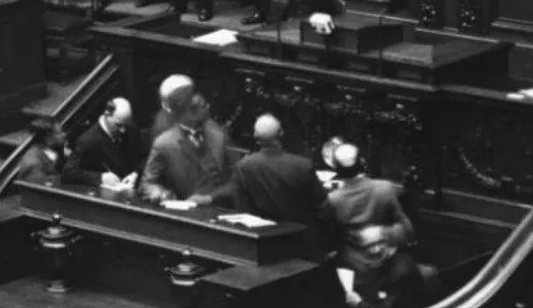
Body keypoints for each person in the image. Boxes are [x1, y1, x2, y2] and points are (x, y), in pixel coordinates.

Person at [196, 115, 332, 255]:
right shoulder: (303, 166)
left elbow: (236, 196)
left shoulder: (244, 166)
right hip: (301, 243)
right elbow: (322, 207)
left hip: (264, 242)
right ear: (281, 133)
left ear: (255, 136)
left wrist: (209, 198)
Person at [325, 142, 414, 274]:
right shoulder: (385, 188)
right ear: (362, 162)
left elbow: (332, 239)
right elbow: (408, 230)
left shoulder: (333, 199)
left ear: (337, 169)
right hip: (387, 262)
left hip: (353, 267)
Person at [141, 93, 237, 203]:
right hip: (181, 209)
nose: (208, 107)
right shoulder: (164, 143)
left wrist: (211, 198)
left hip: (217, 206)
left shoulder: (218, 137)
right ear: (190, 113)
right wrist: (160, 194)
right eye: (204, 105)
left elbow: (234, 179)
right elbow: (148, 183)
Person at [343, 224, 425, 308]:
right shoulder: (385, 259)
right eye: (368, 246)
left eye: (379, 243)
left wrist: (358, 303)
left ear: (387, 243)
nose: (375, 249)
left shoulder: (401, 272)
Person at [62, 98, 144, 188]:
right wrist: (101, 177)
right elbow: (68, 173)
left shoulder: (131, 127)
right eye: (118, 125)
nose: (123, 130)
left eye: (126, 124)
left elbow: (141, 155)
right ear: (107, 115)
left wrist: (136, 173)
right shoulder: (88, 140)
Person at [18, 116, 67, 184]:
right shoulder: (34, 164)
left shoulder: (53, 151)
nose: (64, 135)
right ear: (48, 140)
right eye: (59, 133)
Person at [150, 74, 196, 139]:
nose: (193, 99)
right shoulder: (164, 126)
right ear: (176, 99)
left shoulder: (181, 112)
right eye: (188, 96)